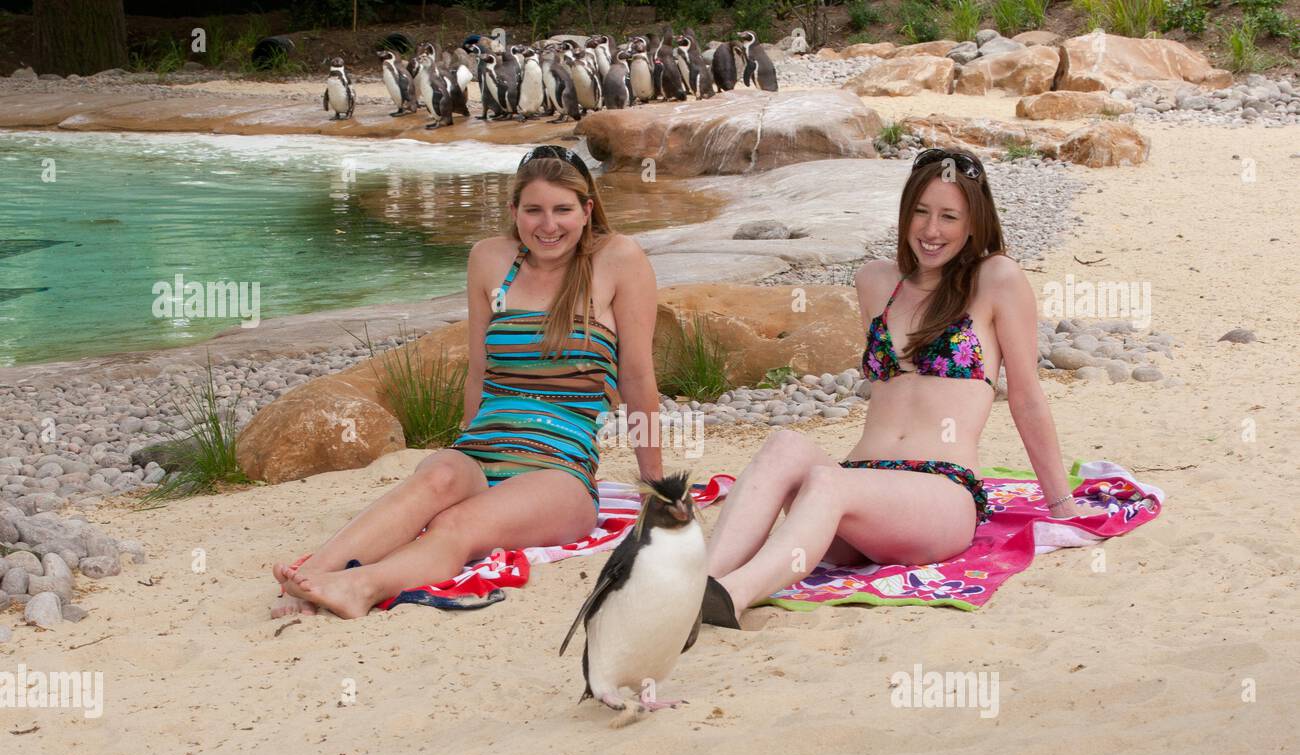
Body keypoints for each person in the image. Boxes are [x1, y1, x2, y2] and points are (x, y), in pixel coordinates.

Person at [701, 148, 1097, 629]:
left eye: (949, 217)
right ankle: (696, 583)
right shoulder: (875, 281)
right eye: (921, 213)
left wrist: (1062, 504)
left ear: (974, 222)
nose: (932, 231)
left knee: (827, 482)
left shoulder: (996, 279)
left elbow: (1027, 395)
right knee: (785, 445)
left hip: (937, 496)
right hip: (861, 498)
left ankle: (730, 597)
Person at [273, 146, 663, 619]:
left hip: (558, 467)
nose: (548, 225)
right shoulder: (489, 258)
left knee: (456, 523)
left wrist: (656, 489)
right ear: (512, 210)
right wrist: (461, 451)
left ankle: (360, 587)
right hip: (483, 445)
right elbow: (478, 367)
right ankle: (308, 579)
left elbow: (638, 379)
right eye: (533, 210)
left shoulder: (619, 260)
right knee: (434, 480)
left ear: (586, 211)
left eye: (562, 210)